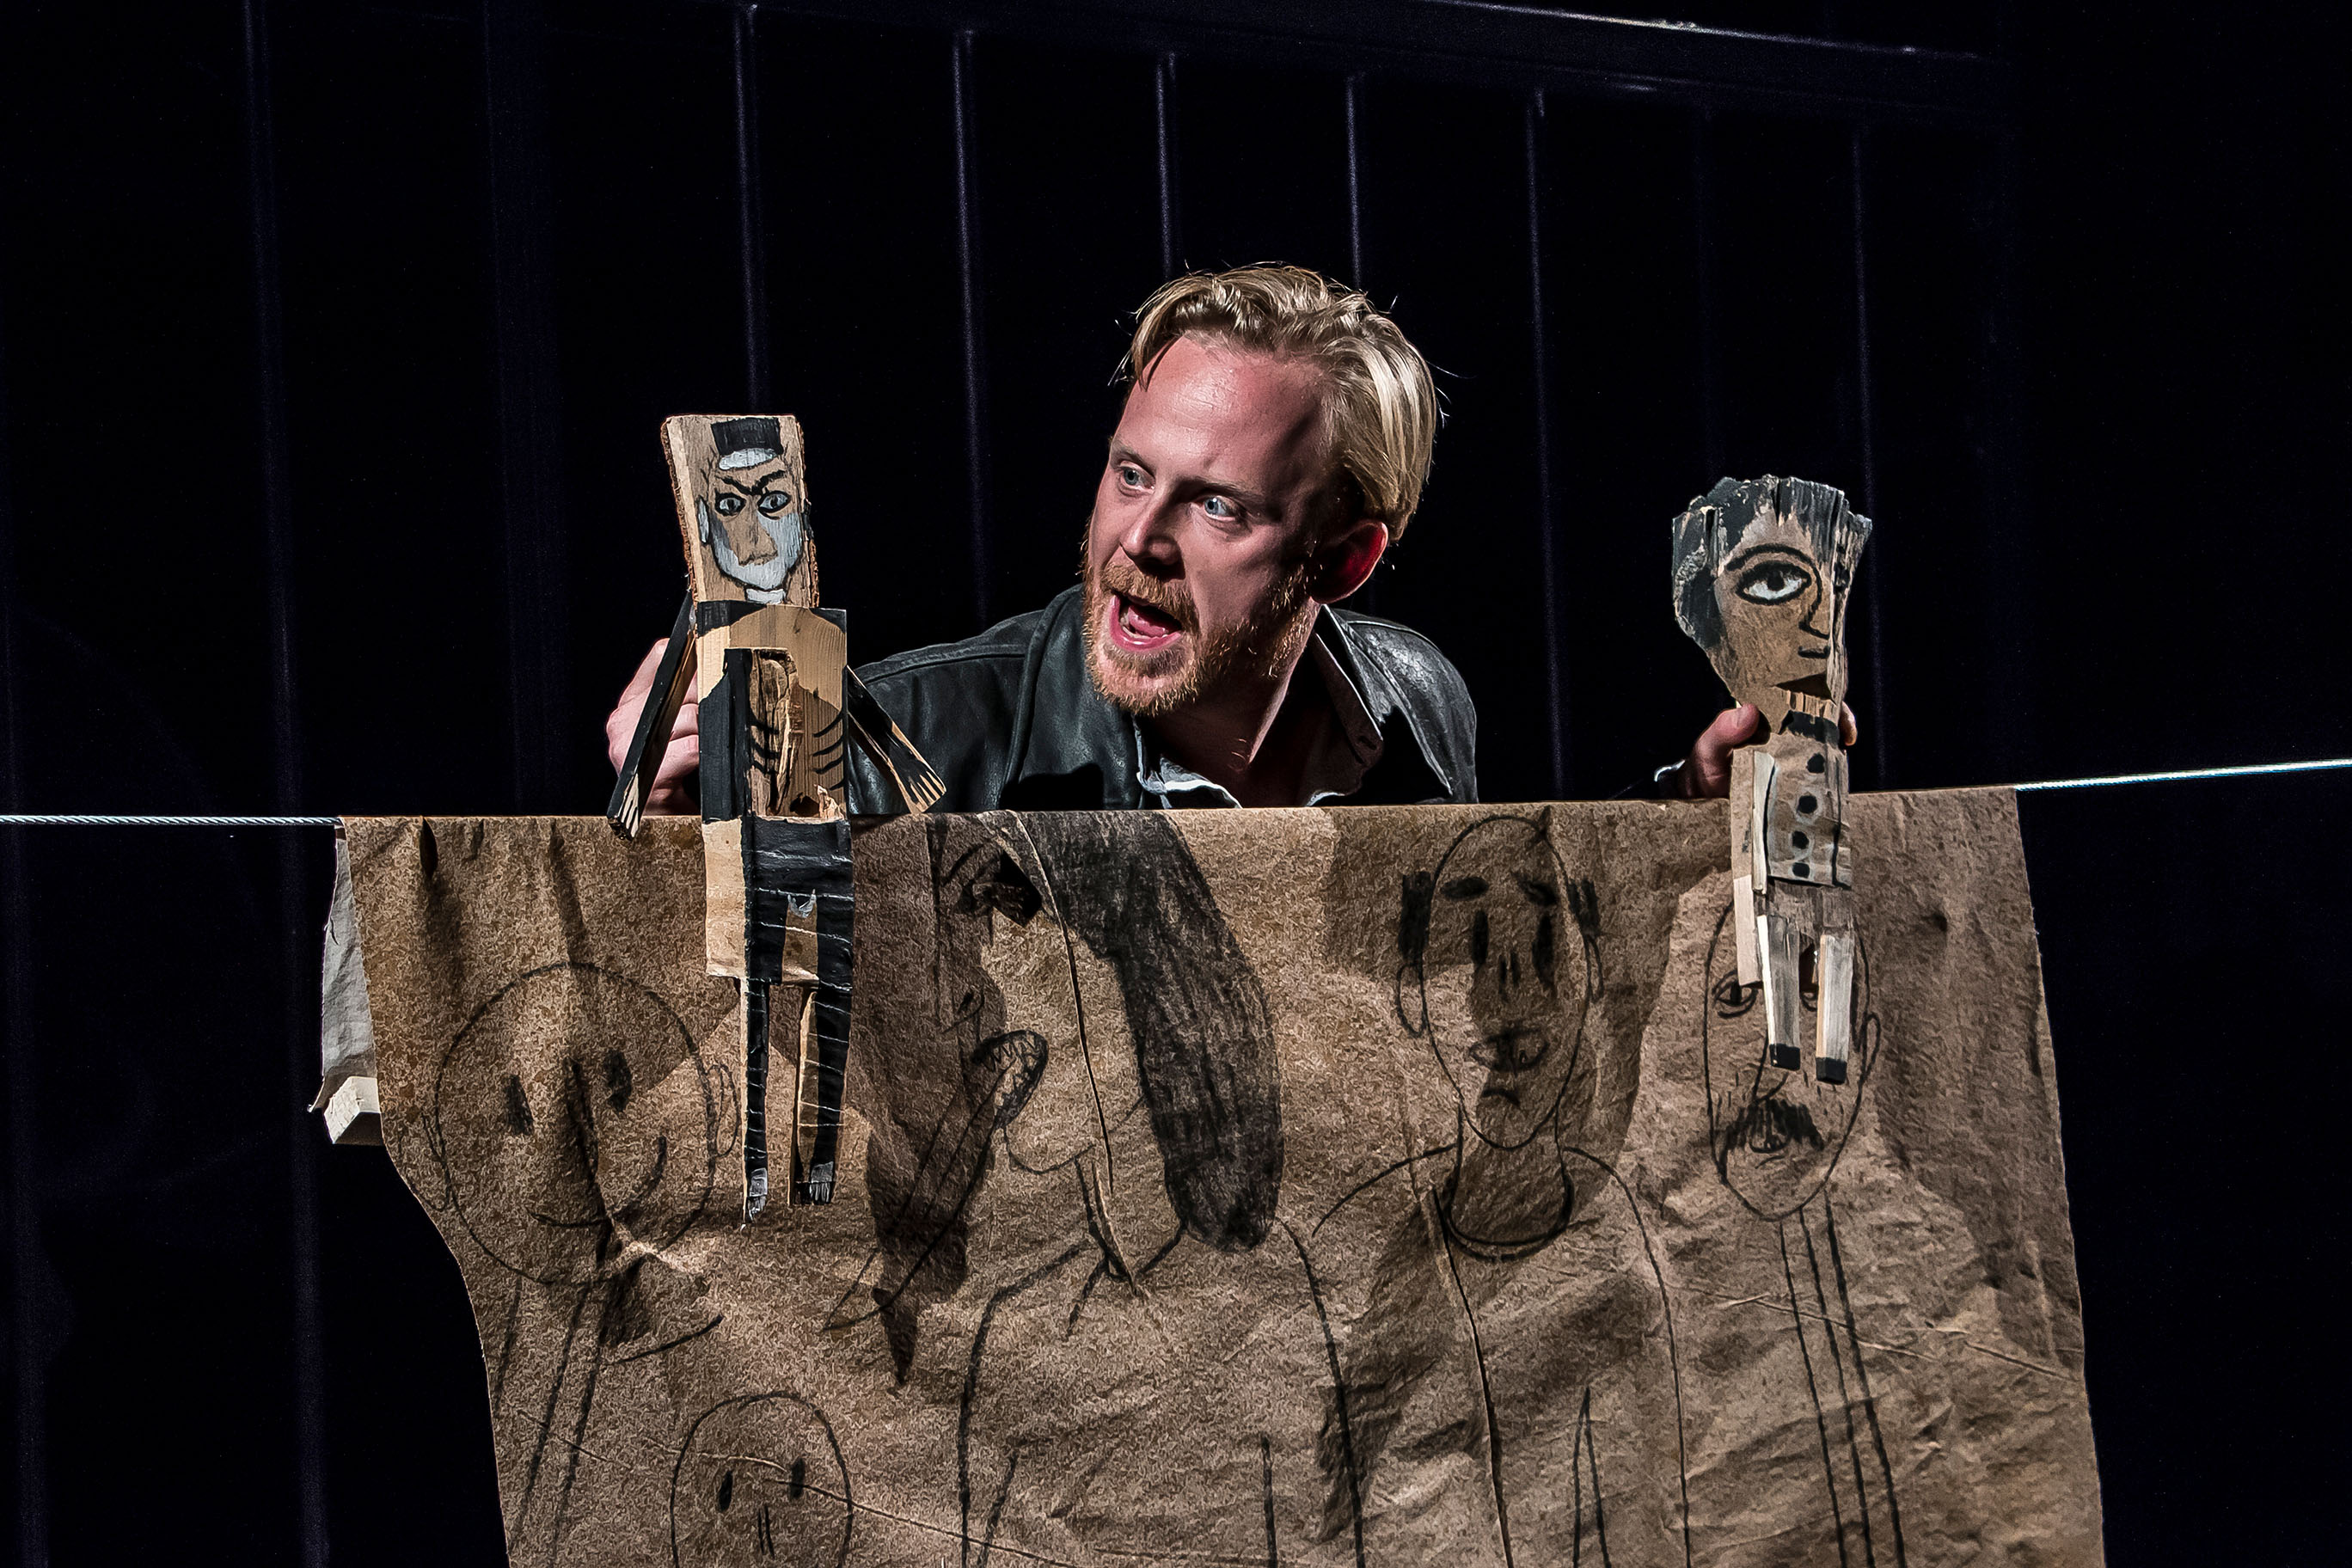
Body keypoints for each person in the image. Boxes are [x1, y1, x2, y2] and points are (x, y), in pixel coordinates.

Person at [606, 264, 1790, 812]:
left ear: (1345, 560)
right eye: (1132, 473)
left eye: (1219, 504)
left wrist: (1684, 816)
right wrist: (676, 807)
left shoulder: (1420, 710)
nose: (1139, 540)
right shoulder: (909, 740)